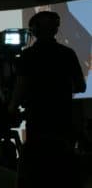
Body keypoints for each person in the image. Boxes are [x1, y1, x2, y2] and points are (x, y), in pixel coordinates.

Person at [11, 11, 86, 144]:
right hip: (64, 122)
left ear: (34, 30)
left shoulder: (28, 55)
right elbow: (81, 86)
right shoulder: (68, 53)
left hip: (37, 122)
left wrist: (11, 110)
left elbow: (20, 88)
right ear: (55, 29)